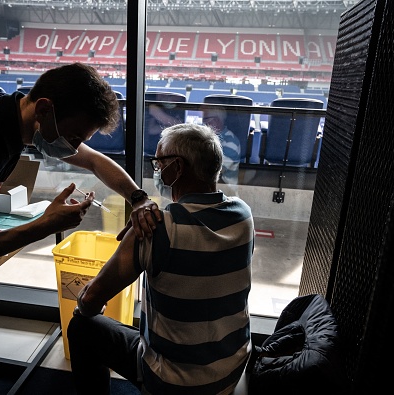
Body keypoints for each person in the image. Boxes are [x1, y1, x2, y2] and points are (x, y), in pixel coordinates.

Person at [0, 63, 161, 352]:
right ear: (44, 109)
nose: (73, 149)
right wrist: (43, 226)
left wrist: (139, 198)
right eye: (73, 138)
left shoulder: (12, 116)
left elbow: (93, 161)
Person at [67, 123, 255, 394]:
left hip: (173, 383)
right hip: (233, 373)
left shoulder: (155, 228)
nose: (156, 170)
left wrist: (83, 308)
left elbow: (93, 298)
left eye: (159, 163)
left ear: (177, 168)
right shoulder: (244, 215)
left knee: (82, 327)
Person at [202, 107, 242, 186]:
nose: (203, 123)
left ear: (216, 120)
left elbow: (216, 171)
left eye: (206, 119)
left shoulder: (231, 142)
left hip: (225, 187)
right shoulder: (205, 137)